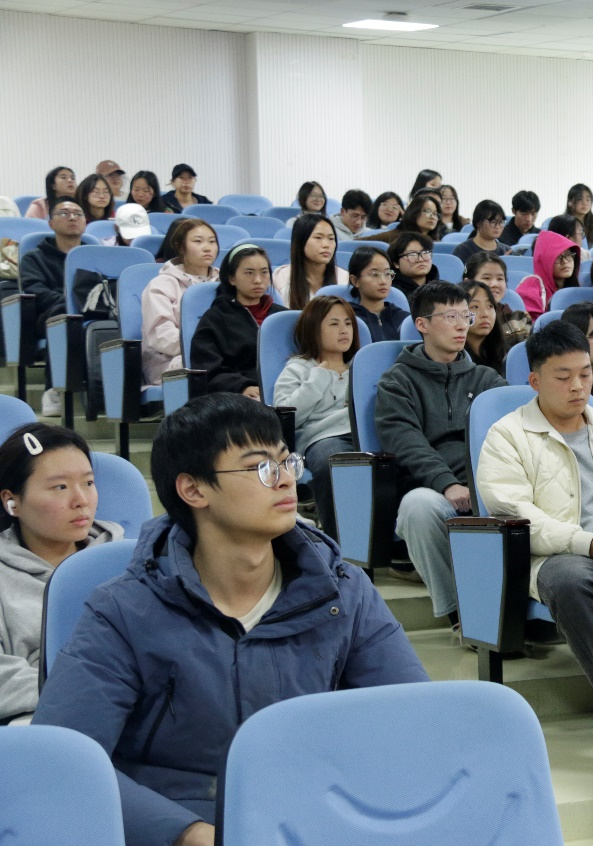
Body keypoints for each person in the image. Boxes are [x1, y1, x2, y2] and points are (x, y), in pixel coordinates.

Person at [33, 394, 429, 846]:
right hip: (182, 824)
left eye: (287, 462)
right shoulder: (123, 611)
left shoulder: (342, 590)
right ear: (193, 490)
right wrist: (187, 832)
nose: (286, 480)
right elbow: (63, 761)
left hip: (313, 817)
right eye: (260, 468)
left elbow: (413, 724)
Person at [476, 320, 593, 773]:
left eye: (585, 374)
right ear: (535, 381)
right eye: (563, 376)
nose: (578, 386)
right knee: (572, 581)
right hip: (561, 555)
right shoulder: (507, 435)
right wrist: (590, 543)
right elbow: (515, 515)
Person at [376, 282, 507, 633]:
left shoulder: (487, 379)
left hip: (487, 484)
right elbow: (406, 441)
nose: (462, 325)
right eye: (451, 317)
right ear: (422, 324)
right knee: (418, 508)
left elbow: (508, 436)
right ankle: (459, 612)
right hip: (435, 489)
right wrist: (447, 483)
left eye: (466, 315)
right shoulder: (397, 381)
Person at [0, 423, 125, 726]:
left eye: (89, 482)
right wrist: (86, 693)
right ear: (11, 501)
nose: (81, 500)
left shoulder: (130, 560)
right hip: (41, 718)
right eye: (60, 487)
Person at [273, 296, 359, 538]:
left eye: (348, 323)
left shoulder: (360, 367)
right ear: (314, 329)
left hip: (360, 435)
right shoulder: (298, 368)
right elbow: (285, 415)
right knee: (333, 462)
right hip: (321, 439)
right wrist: (317, 380)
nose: (344, 330)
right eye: (334, 324)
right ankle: (339, 540)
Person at [11, 196, 85, 416]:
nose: (72, 217)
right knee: (64, 316)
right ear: (51, 223)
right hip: (48, 316)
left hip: (90, 313)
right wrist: (73, 304)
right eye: (64, 213)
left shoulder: (93, 256)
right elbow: (36, 292)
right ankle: (54, 389)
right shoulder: (35, 257)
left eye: (78, 214)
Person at [188, 243, 285, 398]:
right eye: (249, 273)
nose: (258, 280)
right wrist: (243, 387)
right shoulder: (215, 319)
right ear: (232, 278)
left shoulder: (282, 317)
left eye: (264, 272)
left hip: (286, 391)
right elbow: (208, 371)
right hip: (238, 397)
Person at [141, 218, 219, 388]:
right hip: (169, 362)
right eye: (198, 241)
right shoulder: (160, 285)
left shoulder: (224, 283)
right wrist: (209, 347)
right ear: (180, 247)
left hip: (216, 355)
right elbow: (161, 336)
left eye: (212, 241)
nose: (207, 247)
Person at [273, 213, 348, 311]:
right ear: (301, 241)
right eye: (318, 237)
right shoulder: (280, 277)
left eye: (331, 238)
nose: (326, 245)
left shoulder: (344, 278)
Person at [464, 252, 529, 346]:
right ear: (468, 282)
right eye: (486, 278)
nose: (495, 284)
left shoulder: (520, 319)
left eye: (500, 279)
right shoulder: (460, 318)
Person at [515, 230, 581, 321]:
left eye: (569, 255)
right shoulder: (531, 287)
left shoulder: (575, 288)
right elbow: (534, 325)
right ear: (544, 261)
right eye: (557, 257)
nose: (565, 261)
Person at [347, 246, 408, 342]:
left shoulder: (404, 319)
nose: (383, 281)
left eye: (387, 274)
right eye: (375, 275)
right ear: (355, 281)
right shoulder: (348, 318)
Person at [459, 280, 507, 375]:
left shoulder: (506, 355)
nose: (485, 314)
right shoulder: (454, 358)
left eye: (490, 306)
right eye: (475, 307)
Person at [451, 199, 510, 264]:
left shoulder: (506, 251)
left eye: (501, 222)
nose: (498, 226)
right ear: (478, 222)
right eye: (493, 222)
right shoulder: (463, 250)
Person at [389, 233, 438, 299]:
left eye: (425, 252)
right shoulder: (391, 292)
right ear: (396, 263)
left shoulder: (443, 289)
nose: (420, 259)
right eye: (412, 254)